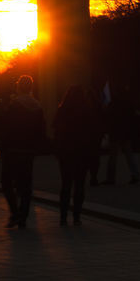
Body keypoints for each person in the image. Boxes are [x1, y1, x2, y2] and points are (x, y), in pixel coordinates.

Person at [0, 75, 46, 229]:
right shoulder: (37, 106)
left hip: (12, 149)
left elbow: (5, 126)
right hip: (28, 150)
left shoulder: (13, 105)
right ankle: (23, 216)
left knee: (6, 183)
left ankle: (14, 212)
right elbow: (41, 130)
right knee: (26, 185)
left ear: (18, 87)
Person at [53, 85, 100, 226]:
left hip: (67, 153)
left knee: (66, 184)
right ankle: (77, 216)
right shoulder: (88, 112)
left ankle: (63, 216)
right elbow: (93, 135)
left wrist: (58, 150)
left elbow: (57, 133)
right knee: (79, 185)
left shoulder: (62, 111)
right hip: (82, 153)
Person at [102, 85, 140, 185]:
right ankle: (135, 175)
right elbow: (132, 118)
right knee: (129, 155)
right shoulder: (128, 104)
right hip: (125, 132)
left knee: (113, 157)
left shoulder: (113, 104)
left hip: (115, 133)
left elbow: (109, 118)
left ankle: (111, 178)